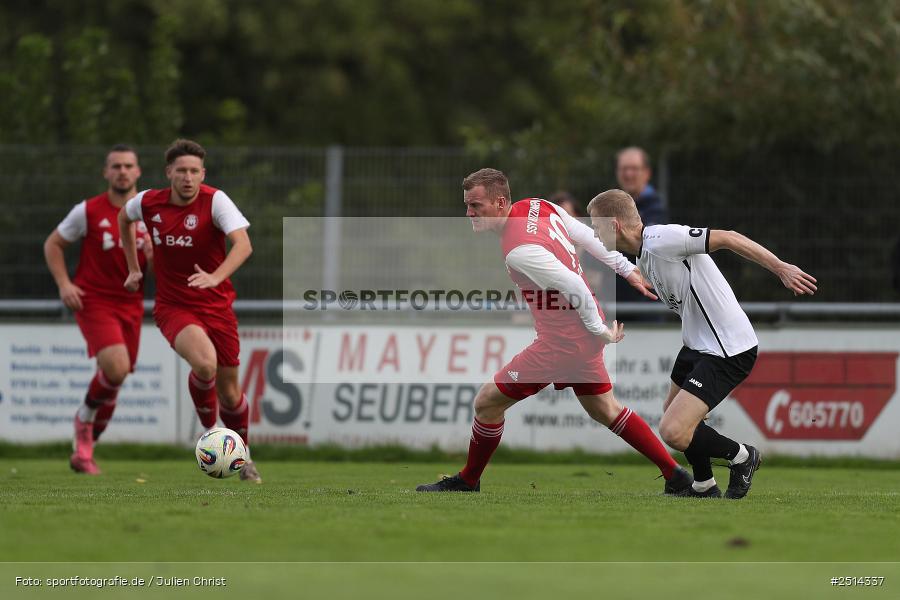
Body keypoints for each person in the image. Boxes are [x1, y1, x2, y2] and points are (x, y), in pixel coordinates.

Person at [416, 168, 693, 494]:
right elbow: (588, 235)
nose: (468, 213)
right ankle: (676, 476)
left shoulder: (519, 249)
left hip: (563, 342)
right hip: (581, 337)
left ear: (500, 201)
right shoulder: (539, 205)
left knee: (486, 403)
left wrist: (600, 330)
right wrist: (627, 268)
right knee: (606, 409)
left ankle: (468, 480)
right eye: (467, 205)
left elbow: (574, 284)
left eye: (476, 206)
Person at [587, 189, 817, 498]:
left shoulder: (662, 239)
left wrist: (780, 267)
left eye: (596, 225)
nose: (594, 233)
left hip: (727, 348)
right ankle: (704, 484)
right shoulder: (644, 253)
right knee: (672, 412)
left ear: (613, 225)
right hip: (697, 345)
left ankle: (742, 456)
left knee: (673, 430)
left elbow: (729, 237)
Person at [118, 139, 261, 483]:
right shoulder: (148, 202)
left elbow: (244, 245)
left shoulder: (215, 201)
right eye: (180, 171)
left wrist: (215, 277)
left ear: (202, 174)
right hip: (174, 306)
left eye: (194, 171)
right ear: (169, 172)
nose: (187, 178)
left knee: (230, 392)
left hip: (218, 306)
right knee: (205, 362)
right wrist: (134, 267)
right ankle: (211, 432)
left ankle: (244, 455)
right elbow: (124, 218)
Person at [44, 144, 152, 475]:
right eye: (115, 166)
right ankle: (84, 418)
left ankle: (85, 449)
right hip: (95, 301)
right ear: (106, 173)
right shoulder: (88, 210)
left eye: (128, 165)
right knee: (116, 369)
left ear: (138, 172)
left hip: (131, 304)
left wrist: (154, 250)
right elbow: (53, 244)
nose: (122, 171)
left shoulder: (150, 212)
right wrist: (65, 284)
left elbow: (163, 266)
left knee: (115, 380)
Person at [614, 147, 667, 316]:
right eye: (624, 169)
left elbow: (642, 244)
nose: (629, 174)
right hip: (615, 304)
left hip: (647, 304)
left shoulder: (656, 209)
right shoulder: (610, 206)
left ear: (647, 173)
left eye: (634, 168)